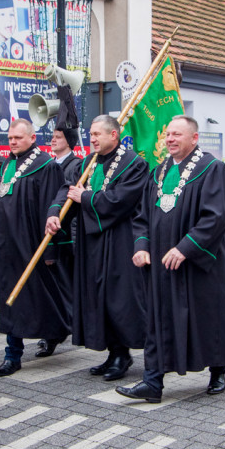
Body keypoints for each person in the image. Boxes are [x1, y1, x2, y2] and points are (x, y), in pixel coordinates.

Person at [117, 115, 225, 402]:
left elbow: (216, 216)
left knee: (208, 317)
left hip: (200, 263)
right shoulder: (157, 173)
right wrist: (141, 246)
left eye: (177, 134)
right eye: (168, 134)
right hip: (161, 263)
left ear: (194, 138)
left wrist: (185, 248)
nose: (170, 139)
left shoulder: (212, 169)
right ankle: (152, 382)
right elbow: (142, 216)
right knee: (159, 318)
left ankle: (218, 369)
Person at [46, 115, 148, 381]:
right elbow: (66, 190)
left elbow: (122, 200)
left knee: (118, 298)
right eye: (90, 135)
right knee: (98, 297)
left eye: (96, 135)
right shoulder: (88, 163)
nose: (91, 139)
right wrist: (55, 212)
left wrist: (87, 197)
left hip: (119, 240)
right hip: (91, 242)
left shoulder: (134, 164)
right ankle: (113, 351)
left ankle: (123, 354)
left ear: (113, 135)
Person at [0, 119, 69, 376]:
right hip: (4, 247)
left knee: (38, 298)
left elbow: (53, 205)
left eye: (18, 138)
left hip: (29, 246)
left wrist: (50, 251)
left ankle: (49, 335)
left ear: (32, 138)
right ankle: (14, 351)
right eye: (10, 138)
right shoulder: (6, 165)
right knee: (10, 300)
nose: (12, 142)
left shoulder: (45, 165)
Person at [34, 127, 82, 358]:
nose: (52, 140)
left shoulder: (76, 165)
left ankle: (66, 327)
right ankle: (57, 330)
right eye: (52, 137)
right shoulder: (47, 164)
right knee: (55, 288)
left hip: (67, 238)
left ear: (69, 142)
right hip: (51, 233)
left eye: (58, 137)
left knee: (66, 286)